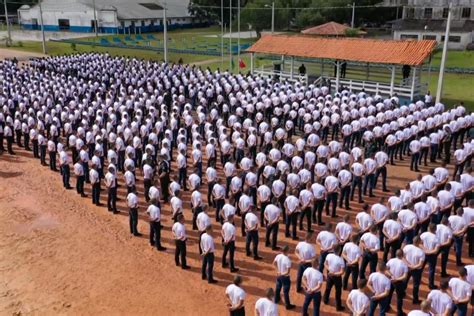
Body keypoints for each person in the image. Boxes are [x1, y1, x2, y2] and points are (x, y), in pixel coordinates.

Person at [386, 250, 408, 316]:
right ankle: (399, 312)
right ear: (402, 255)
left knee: (389, 294)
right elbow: (405, 276)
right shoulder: (404, 264)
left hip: (390, 280)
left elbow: (386, 269)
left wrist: (391, 276)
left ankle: (387, 307)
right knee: (399, 298)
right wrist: (396, 279)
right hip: (399, 283)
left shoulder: (391, 260)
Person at [323, 245, 345, 311]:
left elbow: (325, 264)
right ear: (339, 251)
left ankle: (325, 300)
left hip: (330, 275)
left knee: (327, 288)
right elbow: (342, 272)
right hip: (337, 278)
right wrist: (334, 273)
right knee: (338, 292)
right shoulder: (341, 260)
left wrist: (330, 271)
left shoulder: (329, 255)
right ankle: (338, 307)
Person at [403, 236, 425, 304]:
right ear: (419, 242)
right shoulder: (421, 252)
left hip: (407, 267)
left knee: (405, 280)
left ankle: (402, 293)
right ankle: (415, 299)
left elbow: (403, 257)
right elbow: (420, 264)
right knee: (416, 285)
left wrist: (408, 265)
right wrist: (413, 267)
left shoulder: (406, 247)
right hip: (416, 270)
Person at [273, 246, 295, 310]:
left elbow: (274, 263)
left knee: (278, 287)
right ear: (287, 251)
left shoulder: (278, 256)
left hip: (279, 275)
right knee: (285, 292)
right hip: (285, 277)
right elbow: (287, 272)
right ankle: (287, 305)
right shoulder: (287, 260)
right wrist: (282, 274)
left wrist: (278, 271)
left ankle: (276, 299)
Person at [420, 223, 440, 289]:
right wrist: (429, 252)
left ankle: (419, 278)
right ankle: (431, 285)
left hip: (423, 253)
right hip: (432, 255)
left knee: (421, 267)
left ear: (429, 228)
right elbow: (436, 251)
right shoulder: (436, 238)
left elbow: (419, 244)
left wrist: (425, 250)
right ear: (435, 229)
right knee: (431, 270)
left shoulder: (423, 234)